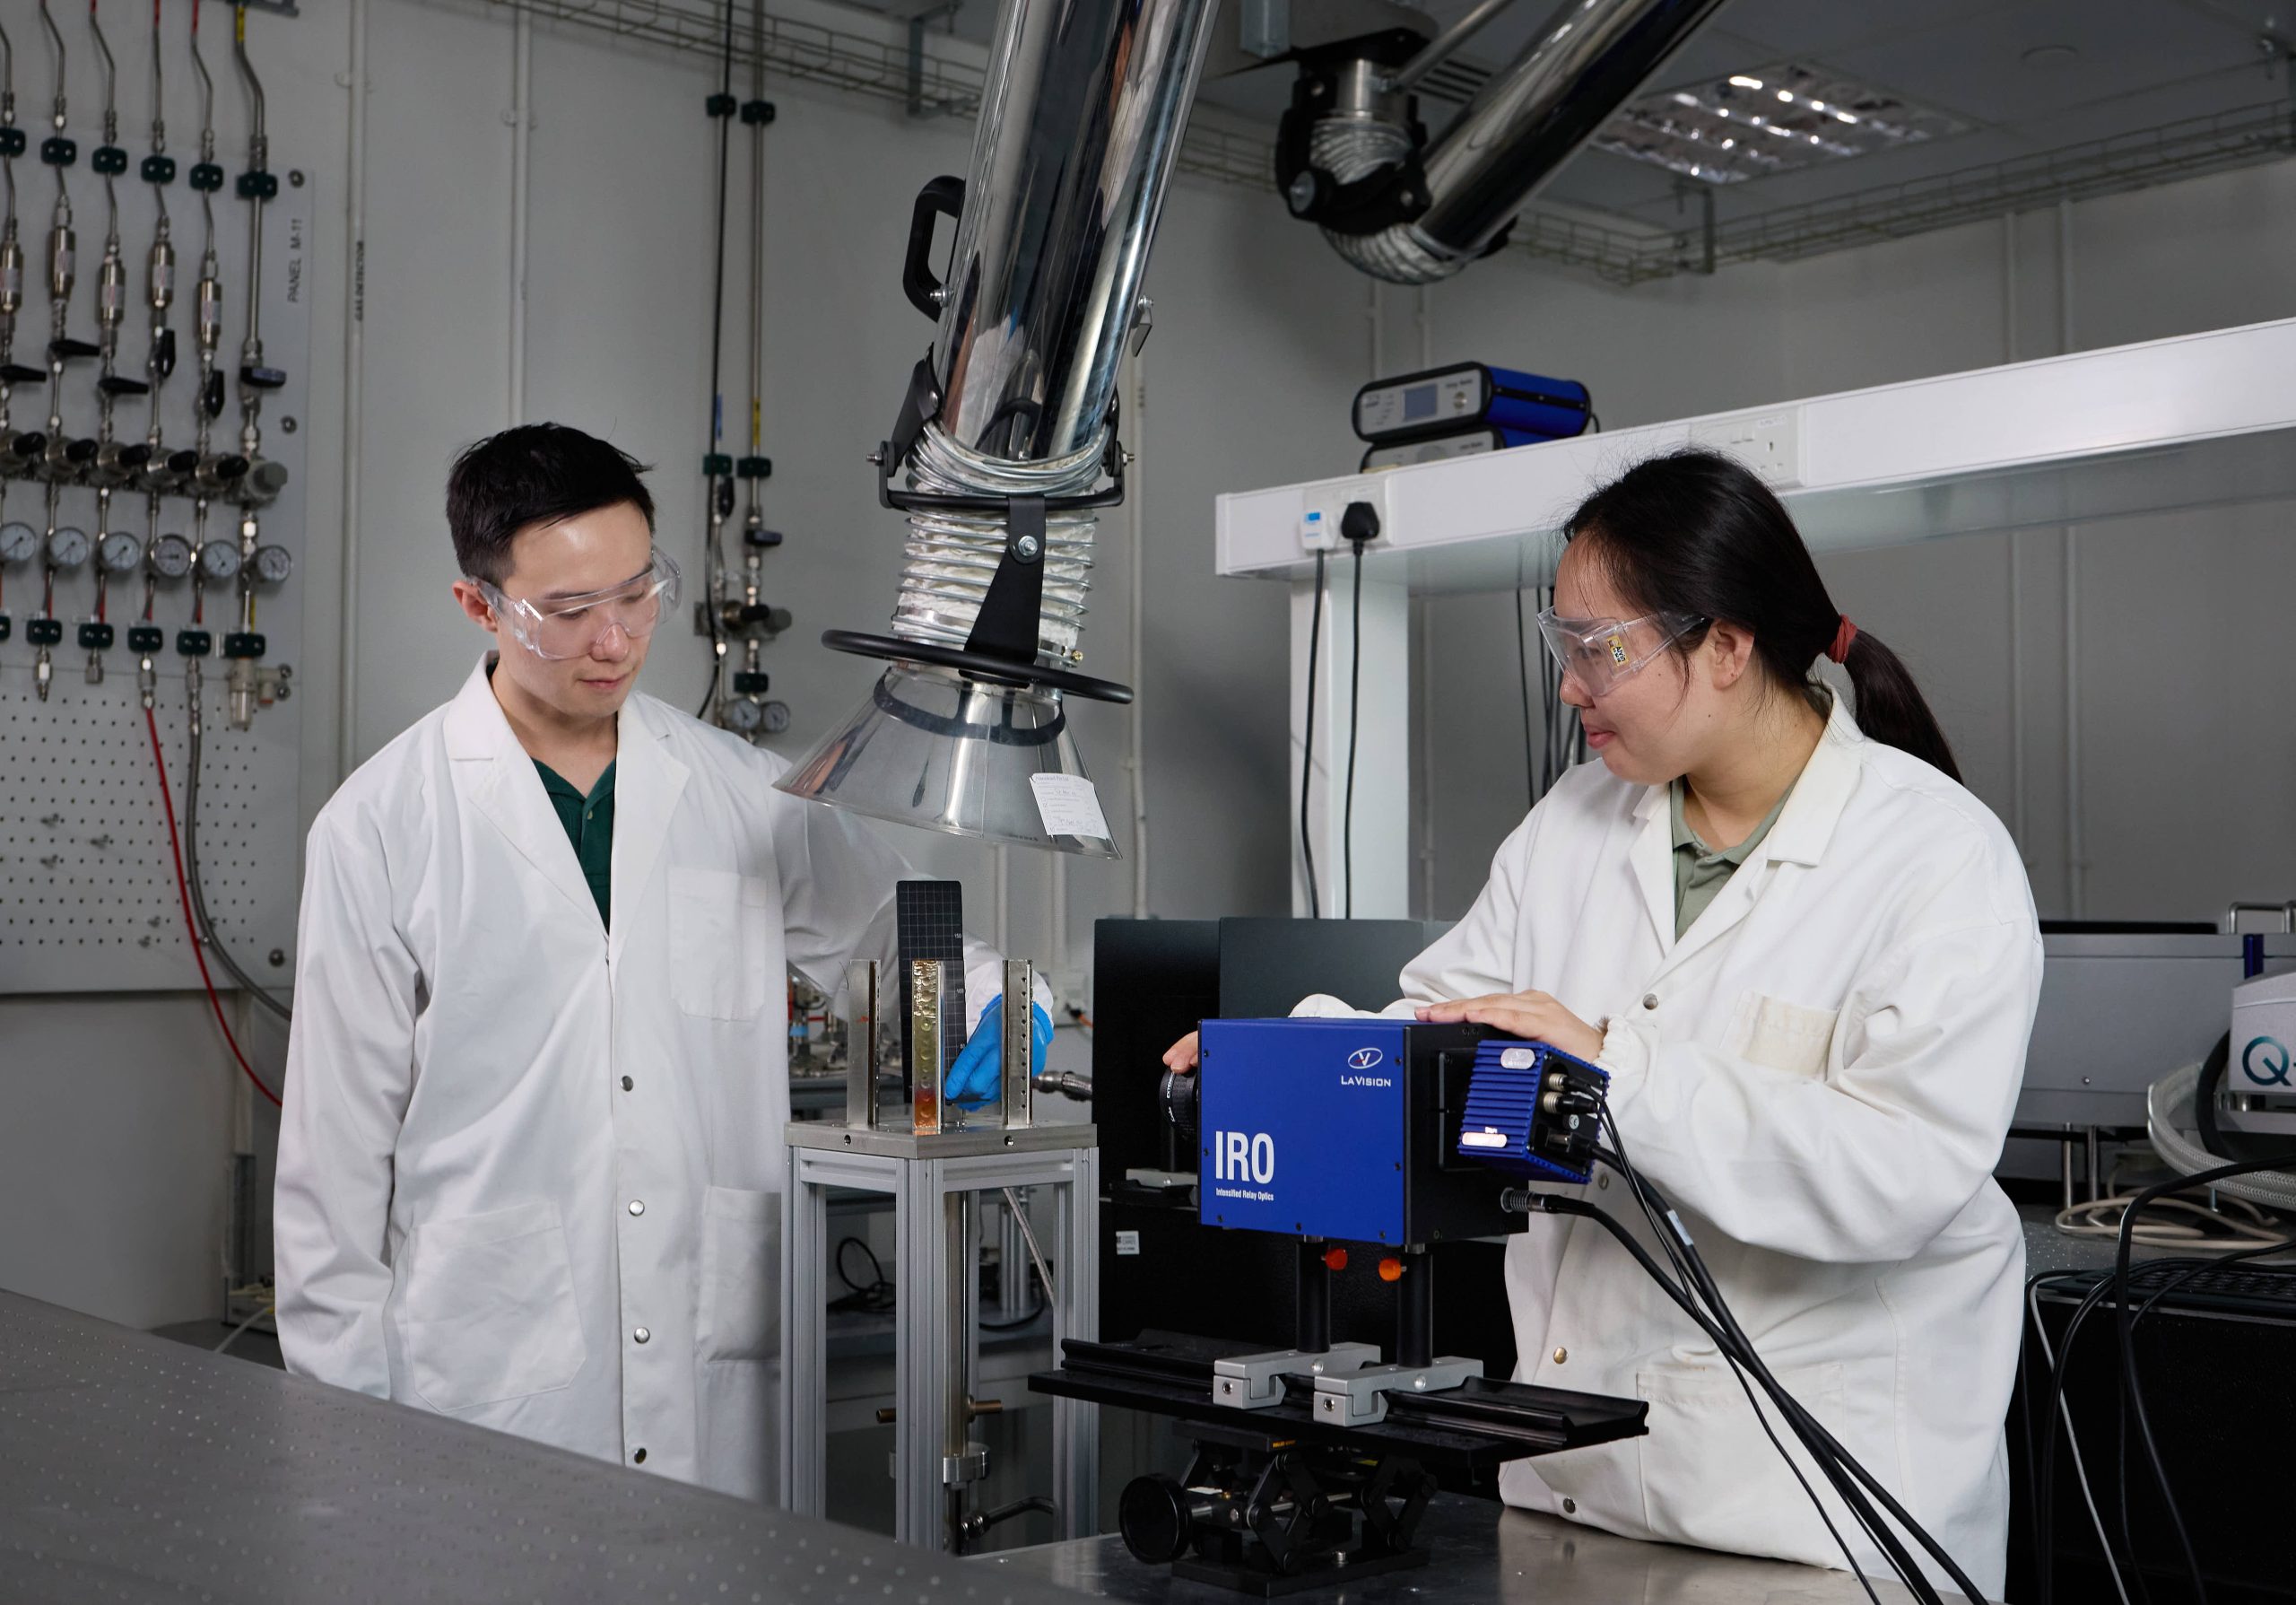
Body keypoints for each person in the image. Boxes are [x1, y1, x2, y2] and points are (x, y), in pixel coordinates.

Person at [1166, 449, 2040, 1594]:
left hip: (1818, 1521)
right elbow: (1447, 1020)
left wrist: (1609, 1071)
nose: (1571, 687)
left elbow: (1902, 1174)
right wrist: (1290, 1059)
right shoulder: (1575, 822)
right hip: (1575, 1482)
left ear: (1725, 646)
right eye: (1561, 644)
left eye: (1602, 649)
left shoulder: (1935, 855)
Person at [274, 423, 1047, 1501]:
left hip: (710, 1362)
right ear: (480, 606)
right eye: (568, 611)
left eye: (639, 594)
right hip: (485, 1379)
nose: (616, 640)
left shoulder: (739, 790)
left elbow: (894, 926)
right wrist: (347, 1442)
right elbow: (333, 1178)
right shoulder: (381, 827)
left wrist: (996, 998)